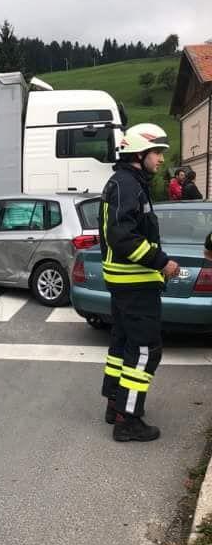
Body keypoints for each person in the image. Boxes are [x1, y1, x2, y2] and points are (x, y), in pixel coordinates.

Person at [99, 123, 180, 442]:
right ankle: (128, 420)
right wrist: (162, 262)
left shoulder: (125, 183)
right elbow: (122, 237)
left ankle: (115, 404)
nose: (161, 159)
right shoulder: (128, 185)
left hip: (124, 284)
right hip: (135, 284)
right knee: (146, 350)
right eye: (157, 152)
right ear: (139, 153)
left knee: (123, 346)